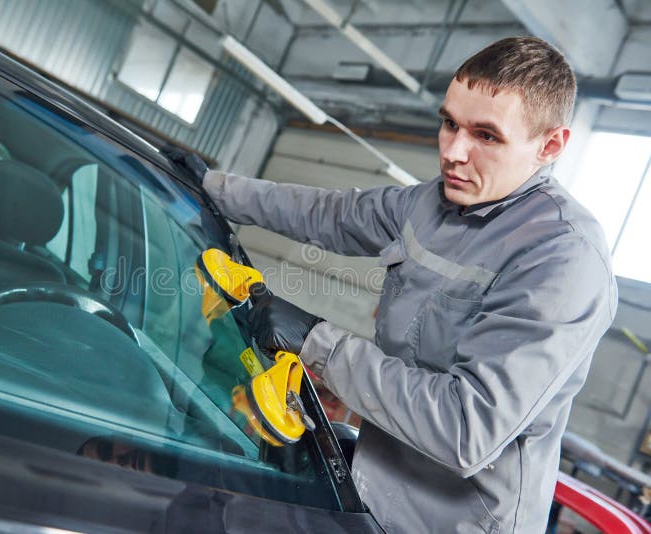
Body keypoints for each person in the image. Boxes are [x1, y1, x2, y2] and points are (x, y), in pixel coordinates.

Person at [165, 36, 617, 532]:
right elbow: (330, 214)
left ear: (550, 145)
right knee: (207, 505)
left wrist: (317, 339)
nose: (453, 152)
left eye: (486, 136)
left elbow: (467, 429)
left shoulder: (564, 260)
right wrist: (214, 188)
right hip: (373, 483)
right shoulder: (432, 205)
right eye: (449, 124)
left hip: (445, 524)